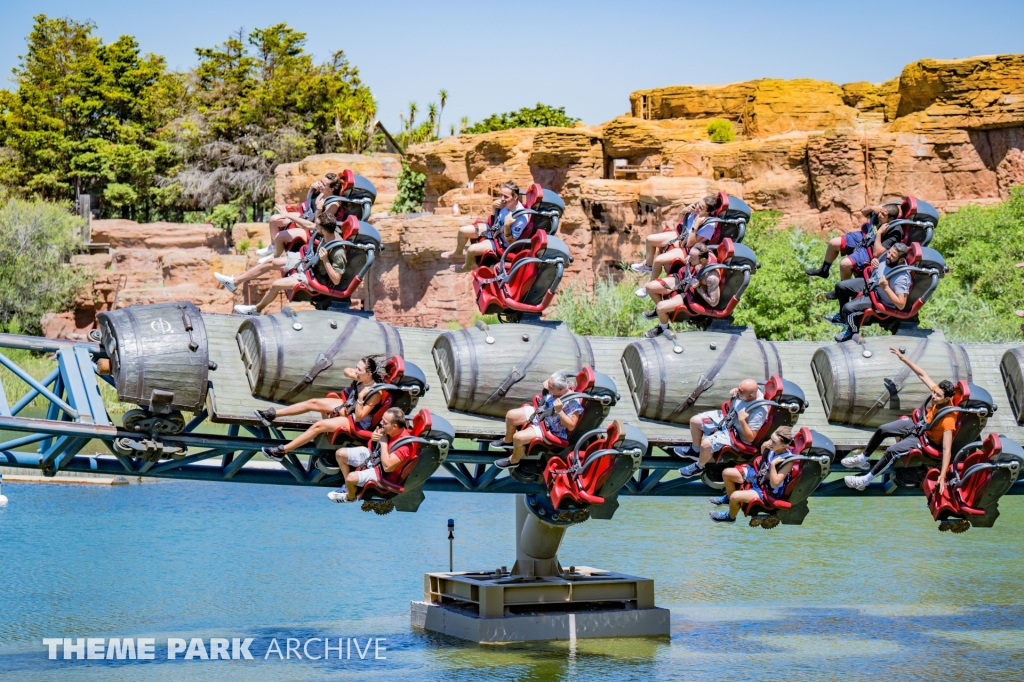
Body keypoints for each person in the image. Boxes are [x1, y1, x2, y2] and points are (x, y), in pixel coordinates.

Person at [843, 348, 957, 493]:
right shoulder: (939, 393)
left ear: (947, 399)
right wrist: (903, 359)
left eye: (938, 395)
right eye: (934, 392)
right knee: (883, 429)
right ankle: (863, 458)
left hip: (925, 439)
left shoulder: (949, 419)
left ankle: (864, 480)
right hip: (919, 426)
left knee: (891, 451)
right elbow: (922, 375)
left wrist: (942, 475)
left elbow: (947, 450)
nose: (934, 396)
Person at [259, 355, 387, 460]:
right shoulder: (362, 378)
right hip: (349, 406)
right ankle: (272, 415)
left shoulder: (375, 393)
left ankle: (282, 452)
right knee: (314, 402)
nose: (356, 371)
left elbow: (359, 417)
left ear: (369, 373)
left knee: (318, 426)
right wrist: (354, 374)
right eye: (356, 368)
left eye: (359, 369)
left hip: (357, 421)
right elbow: (346, 371)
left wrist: (361, 398)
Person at [230, 212, 348, 316]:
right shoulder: (330, 230)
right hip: (308, 261)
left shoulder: (338, 251)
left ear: (323, 230)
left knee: (276, 284)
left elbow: (336, 280)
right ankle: (234, 282)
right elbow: (308, 225)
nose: (314, 226)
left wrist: (326, 260)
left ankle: (257, 309)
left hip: (313, 277)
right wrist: (287, 215)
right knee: (271, 262)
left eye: (317, 225)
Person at [676, 378, 770, 479]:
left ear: (751, 395)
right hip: (729, 419)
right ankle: (695, 450)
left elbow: (751, 438)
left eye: (740, 391)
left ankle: (699, 466)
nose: (738, 391)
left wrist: (742, 420)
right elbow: (744, 391)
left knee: (706, 444)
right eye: (738, 388)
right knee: (695, 421)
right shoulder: (753, 391)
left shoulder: (759, 411)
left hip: (735, 434)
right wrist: (735, 391)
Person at [490, 371, 585, 469]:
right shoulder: (559, 385)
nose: (548, 387)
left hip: (550, 427)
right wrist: (548, 383)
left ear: (561, 389)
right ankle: (508, 441)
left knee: (518, 437)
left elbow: (571, 426)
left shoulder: (572, 403)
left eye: (550, 387)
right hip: (541, 413)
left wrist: (560, 411)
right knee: (511, 415)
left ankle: (514, 460)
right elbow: (551, 384)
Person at [632, 195, 720, 297]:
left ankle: (648, 287)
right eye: (698, 204)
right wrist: (683, 212)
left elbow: (690, 243)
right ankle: (648, 265)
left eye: (701, 208)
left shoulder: (709, 226)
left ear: (708, 212)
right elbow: (679, 221)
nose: (697, 208)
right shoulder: (695, 211)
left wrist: (696, 225)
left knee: (659, 260)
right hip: (681, 237)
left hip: (688, 249)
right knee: (650, 239)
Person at [326, 408, 415, 503]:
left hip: (383, 474)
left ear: (394, 426)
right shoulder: (389, 430)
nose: (381, 423)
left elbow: (387, 467)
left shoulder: (405, 446)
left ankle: (350, 497)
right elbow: (371, 446)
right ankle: (349, 487)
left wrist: (383, 443)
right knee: (340, 454)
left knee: (351, 478)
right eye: (382, 420)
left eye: (384, 422)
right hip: (375, 457)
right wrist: (374, 438)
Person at [708, 426, 796, 522]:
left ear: (783, 446)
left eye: (774, 442)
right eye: (771, 438)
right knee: (727, 473)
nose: (770, 442)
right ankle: (728, 499)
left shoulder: (787, 461)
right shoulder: (773, 447)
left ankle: (730, 517)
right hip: (759, 475)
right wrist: (763, 447)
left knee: (735, 496)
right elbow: (765, 459)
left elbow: (774, 483)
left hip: (768, 490)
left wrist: (773, 465)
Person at [827, 242, 911, 342]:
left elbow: (901, 304)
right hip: (871, 284)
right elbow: (882, 266)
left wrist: (886, 288)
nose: (888, 256)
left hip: (879, 298)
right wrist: (876, 262)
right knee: (840, 287)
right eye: (889, 252)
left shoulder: (902, 278)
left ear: (901, 260)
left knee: (848, 309)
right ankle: (842, 317)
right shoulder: (890, 260)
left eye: (892, 256)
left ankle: (852, 330)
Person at [441, 181, 530, 273]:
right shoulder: (505, 204)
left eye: (506, 197)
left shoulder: (521, 217)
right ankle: (458, 252)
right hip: (493, 229)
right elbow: (496, 218)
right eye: (501, 195)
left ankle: (467, 267)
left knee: (471, 250)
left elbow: (510, 241)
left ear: (515, 197)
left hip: (500, 242)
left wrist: (507, 225)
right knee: (462, 231)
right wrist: (494, 207)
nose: (502, 199)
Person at [641, 243, 720, 338]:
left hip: (690, 295)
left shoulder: (711, 278)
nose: (689, 258)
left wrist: (698, 287)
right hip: (684, 279)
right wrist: (689, 260)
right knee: (650, 287)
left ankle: (663, 327)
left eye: (692, 258)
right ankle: (663, 313)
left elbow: (713, 302)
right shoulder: (704, 254)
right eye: (690, 255)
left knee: (660, 307)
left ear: (702, 260)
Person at [257, 173, 345, 259]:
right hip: (307, 217)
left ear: (332, 189)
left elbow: (317, 225)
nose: (320, 184)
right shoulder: (323, 193)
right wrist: (311, 189)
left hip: (313, 230)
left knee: (280, 236)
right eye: (321, 182)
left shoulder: (333, 205)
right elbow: (309, 204)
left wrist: (319, 209)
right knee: (274, 219)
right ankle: (273, 247)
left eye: (323, 184)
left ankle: (275, 257)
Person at [805, 203, 902, 280]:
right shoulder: (880, 214)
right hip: (865, 237)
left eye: (883, 215)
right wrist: (873, 208)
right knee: (833, 243)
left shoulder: (895, 232)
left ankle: (843, 291)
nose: (879, 215)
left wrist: (880, 233)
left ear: (891, 219)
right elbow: (864, 212)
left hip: (870, 249)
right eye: (880, 212)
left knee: (844, 264)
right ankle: (824, 270)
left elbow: (877, 253)